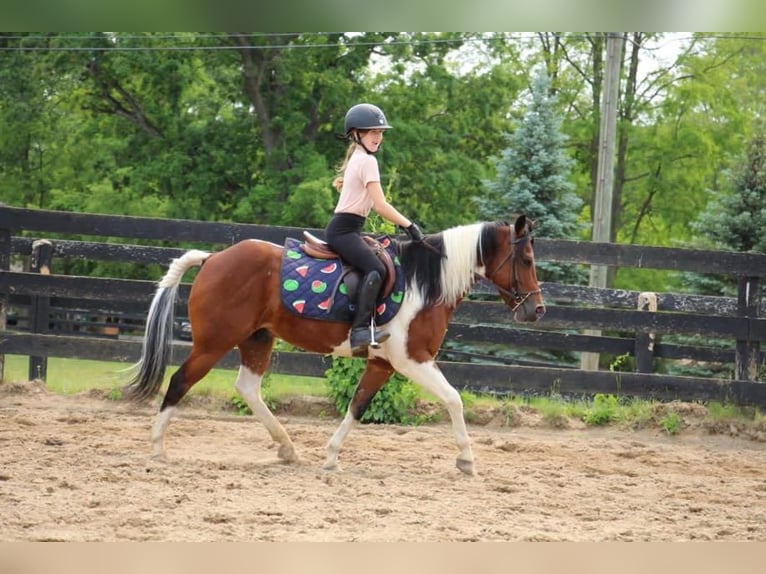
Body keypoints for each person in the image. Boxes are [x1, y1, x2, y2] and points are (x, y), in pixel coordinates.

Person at [325, 103, 424, 355]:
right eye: (372, 132)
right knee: (376, 268)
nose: (378, 137)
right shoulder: (367, 161)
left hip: (349, 229)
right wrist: (409, 225)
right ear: (356, 134)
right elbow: (380, 205)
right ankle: (359, 330)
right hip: (343, 230)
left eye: (380, 132)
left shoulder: (360, 158)